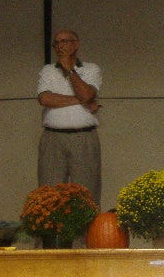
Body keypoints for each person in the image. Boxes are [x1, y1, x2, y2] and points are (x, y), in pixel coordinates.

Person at [36, 29, 103, 204]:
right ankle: (51, 231)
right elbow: (45, 98)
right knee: (49, 193)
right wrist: (81, 101)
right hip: (53, 138)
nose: (60, 46)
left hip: (83, 136)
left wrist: (70, 70)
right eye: (56, 43)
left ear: (76, 44)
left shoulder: (91, 69)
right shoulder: (48, 71)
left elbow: (87, 93)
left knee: (86, 192)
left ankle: (87, 232)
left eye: (64, 42)